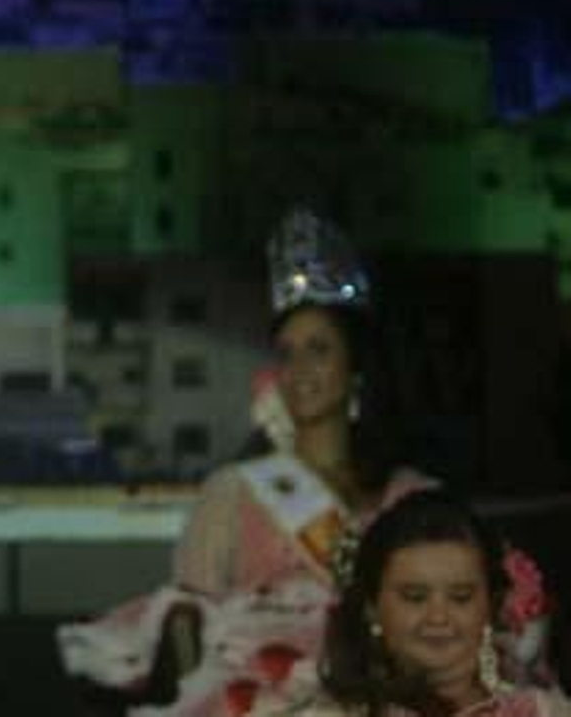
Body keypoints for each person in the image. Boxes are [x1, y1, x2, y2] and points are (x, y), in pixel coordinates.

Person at [59, 209, 433, 715]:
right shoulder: (234, 493)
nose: (299, 370)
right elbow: (190, 614)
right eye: (286, 353)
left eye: (319, 349)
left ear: (356, 370)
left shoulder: (411, 497)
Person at [274, 488, 567, 716]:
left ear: (490, 606)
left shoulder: (542, 711)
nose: (438, 616)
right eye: (415, 598)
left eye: (461, 597)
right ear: (372, 607)